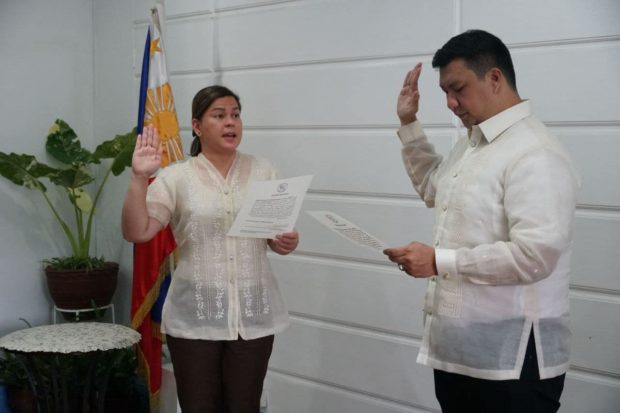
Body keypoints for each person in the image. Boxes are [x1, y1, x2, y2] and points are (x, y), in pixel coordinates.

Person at [383, 30, 579, 413]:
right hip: (463, 351)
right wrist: (409, 124)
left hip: (515, 360)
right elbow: (433, 187)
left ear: (494, 78)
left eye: (458, 88)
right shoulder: (476, 142)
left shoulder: (535, 153)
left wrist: (439, 261)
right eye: (444, 93)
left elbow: (535, 255)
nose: (451, 103)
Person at [122, 85, 299, 413]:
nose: (230, 123)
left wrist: (284, 241)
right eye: (219, 116)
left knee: (244, 407)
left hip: (253, 316)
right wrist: (138, 177)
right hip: (195, 317)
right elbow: (137, 231)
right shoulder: (177, 177)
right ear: (198, 126)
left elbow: (275, 238)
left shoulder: (264, 171)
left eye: (235, 115)